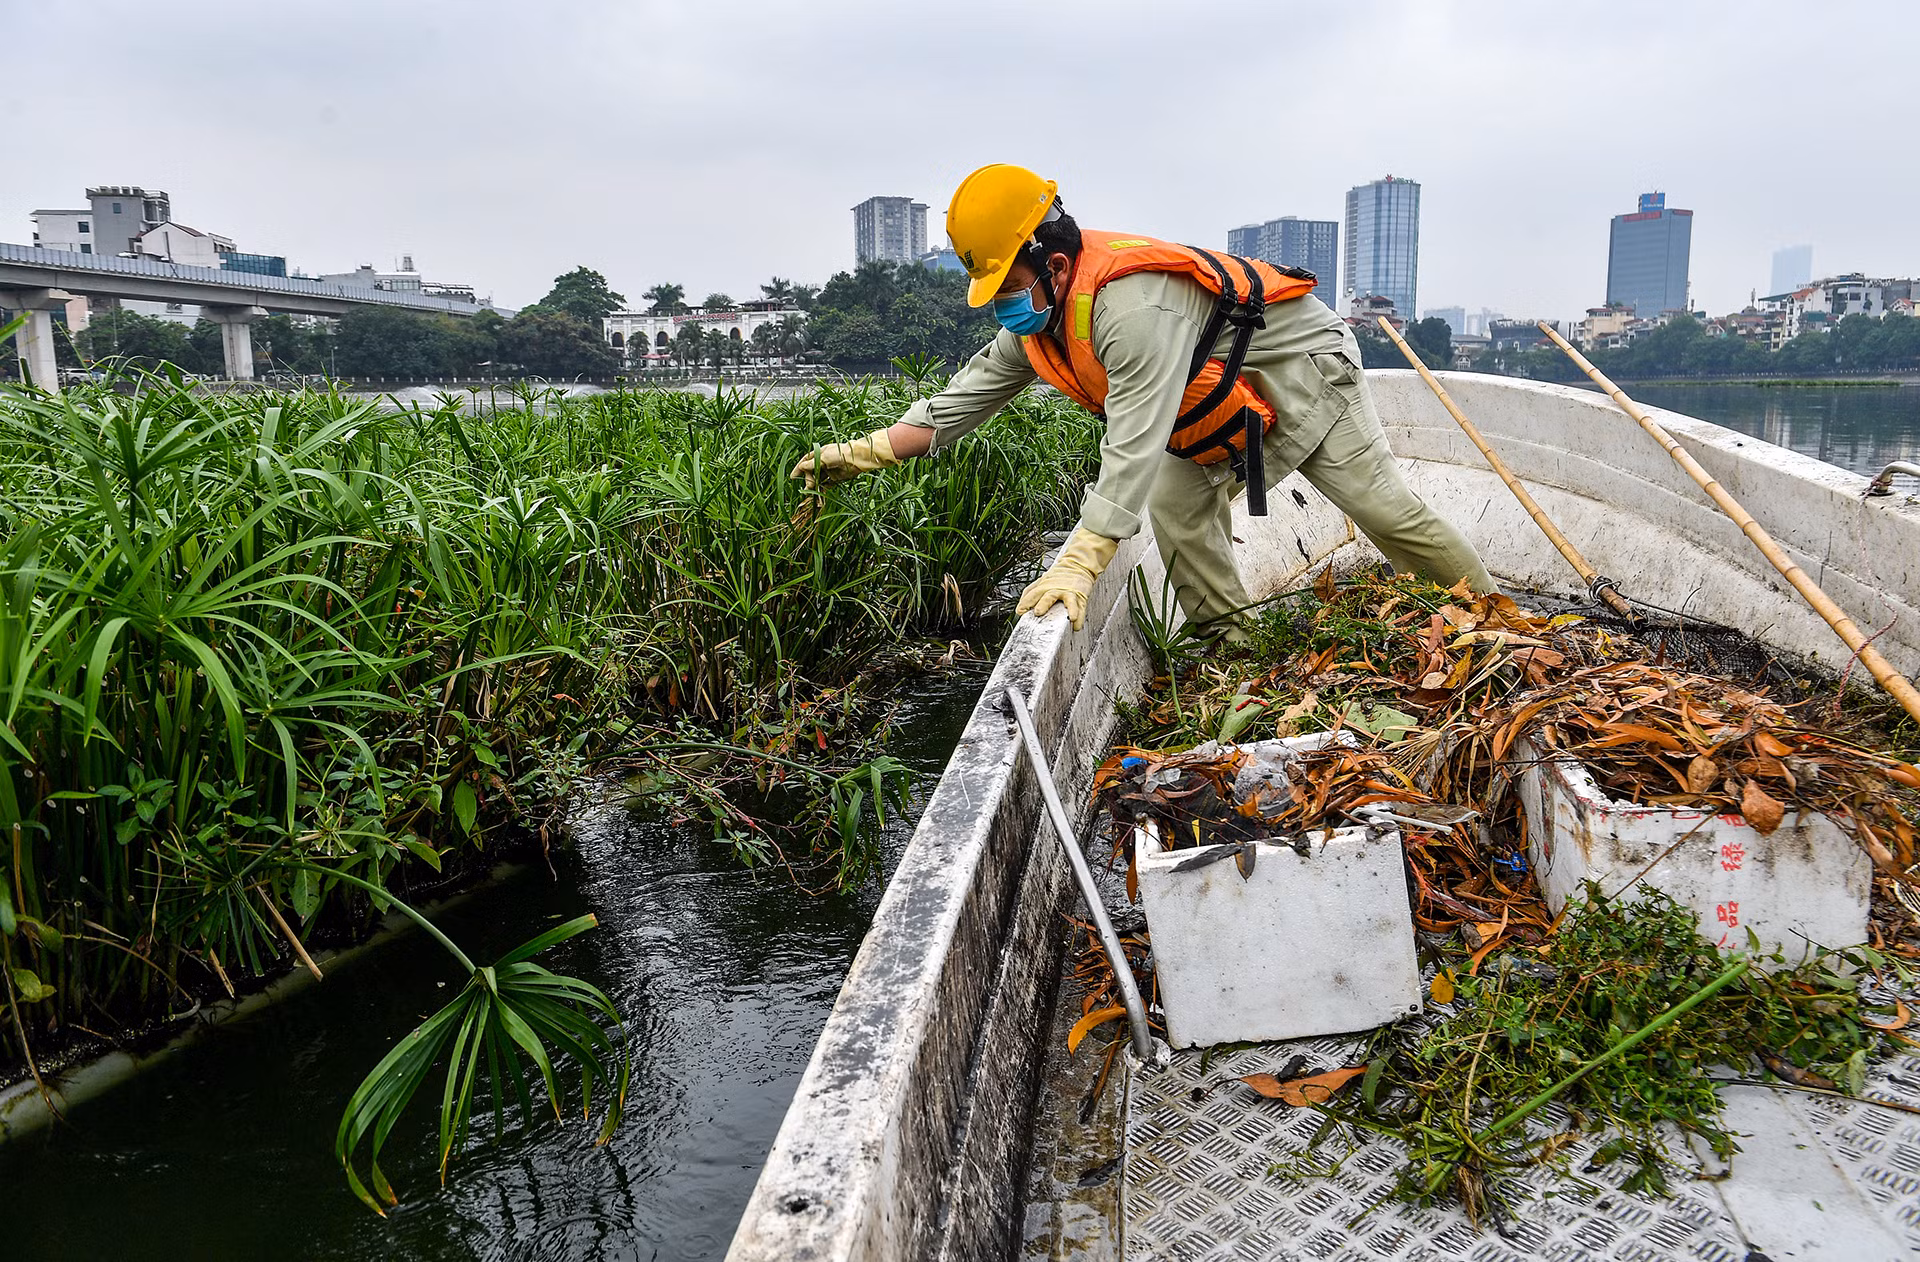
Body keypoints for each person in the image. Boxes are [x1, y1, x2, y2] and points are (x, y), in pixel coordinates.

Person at [791, 164, 1494, 634]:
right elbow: (959, 402)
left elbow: (1133, 438)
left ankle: (1494, 619)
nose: (1003, 305)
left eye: (1009, 286)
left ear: (1056, 266)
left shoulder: (1129, 310)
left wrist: (1080, 559)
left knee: (1379, 508)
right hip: (1222, 394)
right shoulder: (1042, 324)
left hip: (1304, 369)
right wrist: (864, 453)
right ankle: (1230, 647)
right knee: (1178, 505)